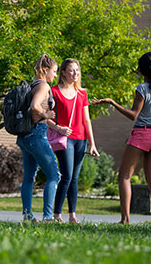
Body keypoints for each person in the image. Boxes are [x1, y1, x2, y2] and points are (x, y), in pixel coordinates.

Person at [92, 52, 151, 225]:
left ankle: (125, 219)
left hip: (142, 134)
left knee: (124, 176)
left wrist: (112, 102)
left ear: (143, 70)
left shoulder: (142, 89)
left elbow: (133, 115)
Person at [16, 54, 65, 222]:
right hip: (36, 135)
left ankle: (27, 215)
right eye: (54, 71)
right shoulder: (43, 86)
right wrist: (46, 114)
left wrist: (57, 127)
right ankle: (48, 216)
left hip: (26, 136)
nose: (55, 75)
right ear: (46, 70)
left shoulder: (32, 85)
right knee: (54, 175)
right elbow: (35, 107)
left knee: (29, 177)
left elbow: (36, 114)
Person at [51, 58, 99, 223]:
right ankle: (57, 215)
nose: (75, 73)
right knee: (66, 176)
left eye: (77, 70)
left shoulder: (82, 93)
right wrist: (58, 128)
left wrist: (92, 143)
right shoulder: (54, 91)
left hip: (81, 139)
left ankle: (72, 215)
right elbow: (45, 117)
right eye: (71, 70)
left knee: (74, 178)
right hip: (64, 139)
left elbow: (87, 120)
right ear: (63, 72)